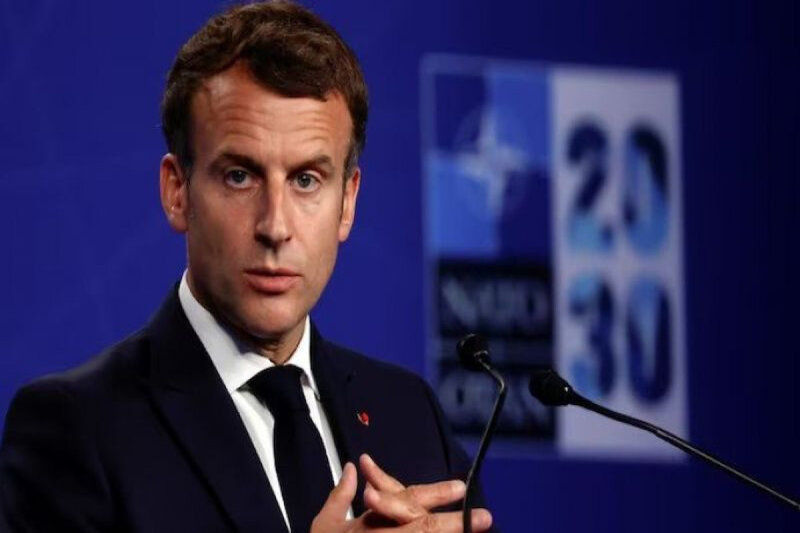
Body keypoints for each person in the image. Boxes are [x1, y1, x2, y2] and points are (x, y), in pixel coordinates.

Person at [0, 2, 494, 532]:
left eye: (306, 180)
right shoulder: (77, 427)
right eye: (240, 176)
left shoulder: (411, 416)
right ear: (177, 190)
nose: (275, 226)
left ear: (347, 202)